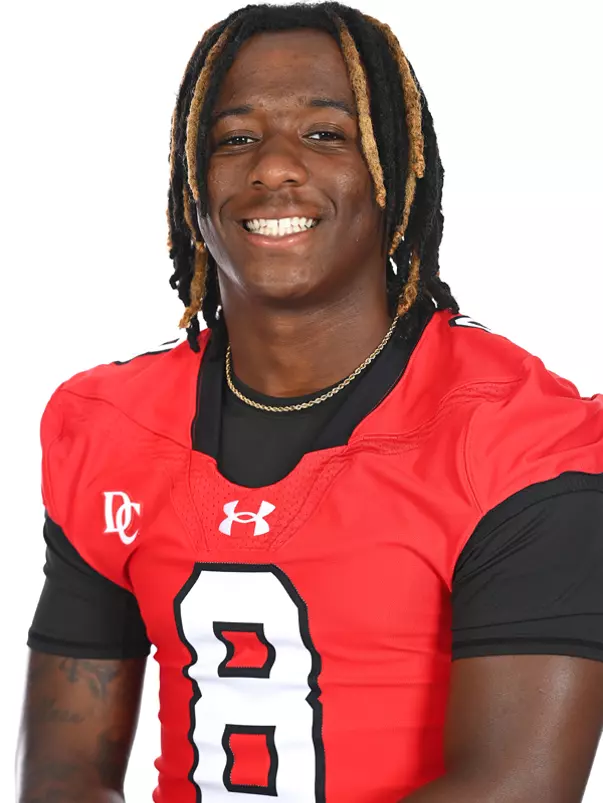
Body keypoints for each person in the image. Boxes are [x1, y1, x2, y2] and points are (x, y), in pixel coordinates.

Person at [16, 3, 603, 801]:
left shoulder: (519, 437)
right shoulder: (106, 424)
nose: (273, 168)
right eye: (234, 139)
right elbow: (62, 777)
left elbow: (517, 787)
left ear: (395, 171)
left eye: (325, 134)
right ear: (191, 181)